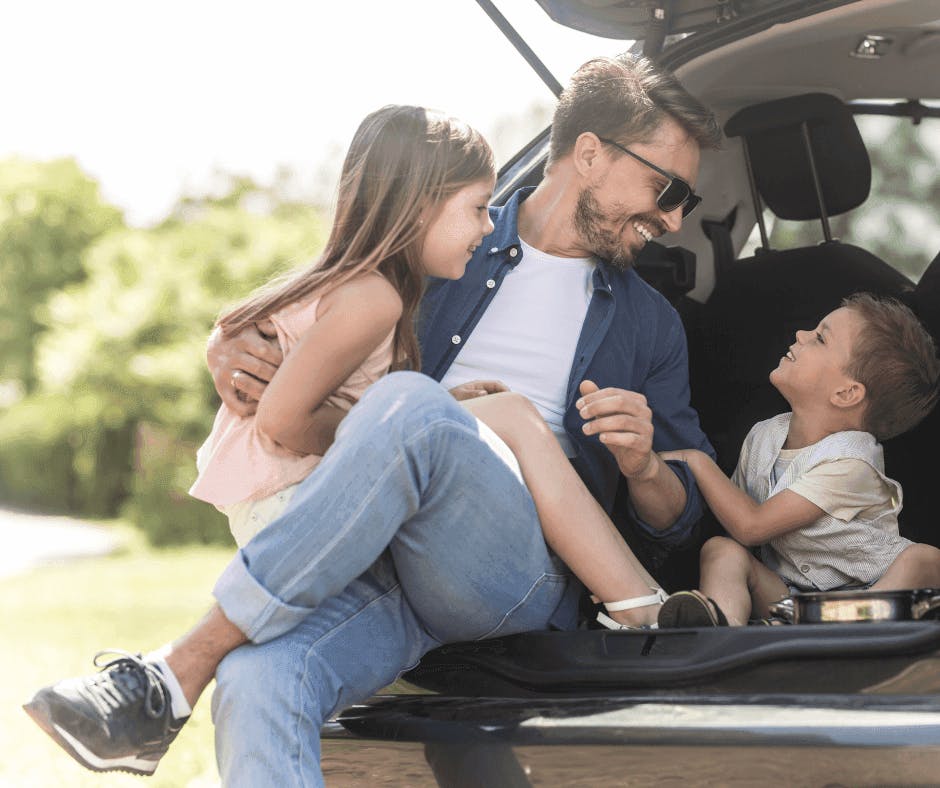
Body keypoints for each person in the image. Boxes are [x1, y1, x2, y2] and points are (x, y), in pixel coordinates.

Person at [26, 55, 723, 786]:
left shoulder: (650, 325)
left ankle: (175, 669)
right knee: (260, 681)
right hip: (379, 561)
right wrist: (230, 344)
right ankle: (193, 677)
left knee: (412, 405)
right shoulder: (445, 237)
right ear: (590, 154)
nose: (673, 218)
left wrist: (644, 466)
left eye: (684, 202)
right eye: (664, 188)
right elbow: (320, 308)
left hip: (510, 573)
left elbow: (687, 519)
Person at [655, 293, 940, 627]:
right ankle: (722, 636)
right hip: (793, 602)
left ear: (846, 393)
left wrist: (697, 461)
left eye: (820, 337)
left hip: (870, 597)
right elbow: (732, 521)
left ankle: (855, 636)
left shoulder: (851, 465)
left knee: (924, 559)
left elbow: (751, 525)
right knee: (721, 550)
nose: (800, 335)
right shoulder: (763, 436)